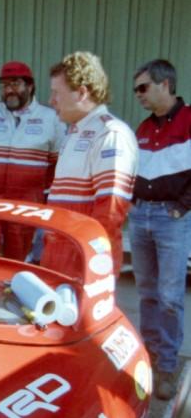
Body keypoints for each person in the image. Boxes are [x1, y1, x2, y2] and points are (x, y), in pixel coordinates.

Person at [42, 51, 138, 277]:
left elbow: (110, 212)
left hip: (83, 259)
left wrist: (91, 267)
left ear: (82, 93)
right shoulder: (74, 132)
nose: (50, 101)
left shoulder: (110, 134)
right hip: (59, 251)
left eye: (56, 93)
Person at [128, 59, 191, 401]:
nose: (138, 94)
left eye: (142, 87)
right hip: (142, 217)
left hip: (172, 219)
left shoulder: (190, 121)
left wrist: (181, 207)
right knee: (147, 293)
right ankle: (148, 356)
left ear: (164, 84)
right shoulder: (142, 128)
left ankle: (165, 365)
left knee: (169, 298)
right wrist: (134, 203)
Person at [0, 61, 65, 259]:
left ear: (30, 86)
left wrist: (40, 194)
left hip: (26, 202)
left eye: (15, 84)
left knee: (15, 261)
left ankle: (7, 288)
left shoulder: (51, 118)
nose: (9, 90)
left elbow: (58, 164)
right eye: (4, 86)